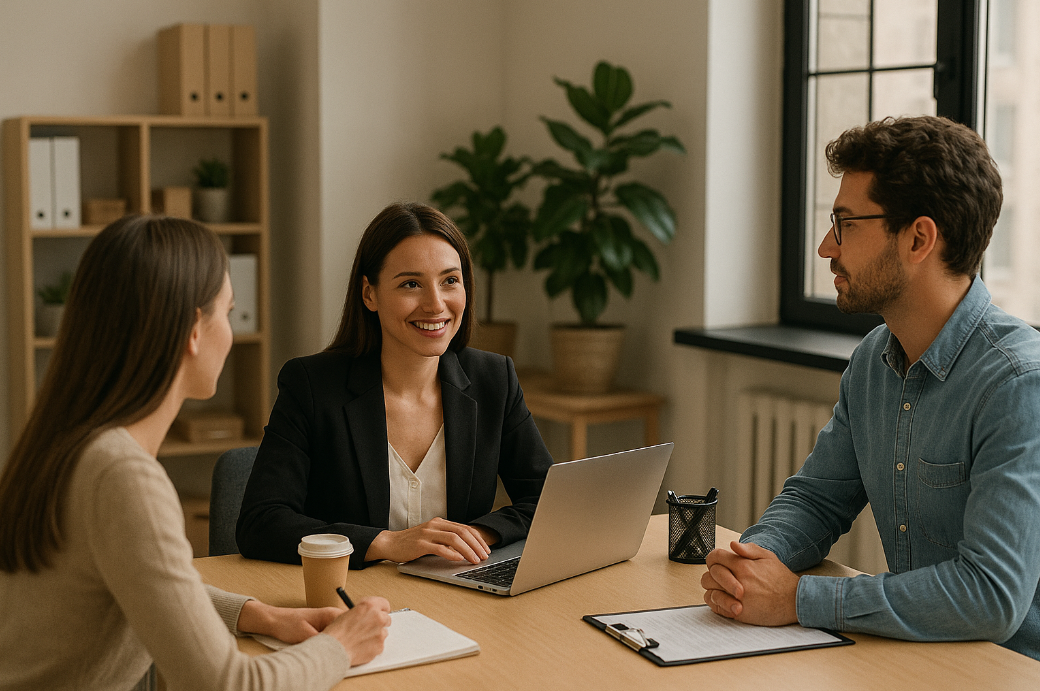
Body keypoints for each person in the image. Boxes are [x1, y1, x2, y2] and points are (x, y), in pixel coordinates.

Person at [0, 216, 391, 691]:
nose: (230, 330)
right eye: (227, 311)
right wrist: (342, 645)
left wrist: (258, 614)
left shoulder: (72, 443)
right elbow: (226, 685)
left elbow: (146, 584)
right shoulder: (122, 476)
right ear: (192, 330)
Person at [701, 115, 1040, 660]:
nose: (824, 248)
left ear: (919, 238)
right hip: (919, 656)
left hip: (1006, 670)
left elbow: (990, 596)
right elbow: (817, 499)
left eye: (845, 225)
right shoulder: (873, 359)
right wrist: (751, 564)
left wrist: (799, 599)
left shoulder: (1020, 385)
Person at [236, 202, 552, 570]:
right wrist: (387, 543)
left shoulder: (494, 379)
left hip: (458, 595)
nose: (436, 305)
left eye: (450, 280)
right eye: (411, 284)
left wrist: (480, 534)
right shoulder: (312, 386)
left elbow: (548, 500)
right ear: (369, 294)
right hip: (352, 600)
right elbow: (261, 523)